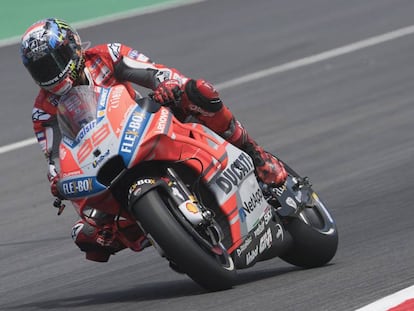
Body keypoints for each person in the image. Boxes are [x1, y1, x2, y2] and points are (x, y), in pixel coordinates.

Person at [20, 18, 287, 262]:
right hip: (102, 160)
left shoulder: (106, 56)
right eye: (42, 69)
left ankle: (254, 154)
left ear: (73, 47)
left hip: (145, 122)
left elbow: (152, 71)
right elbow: (55, 155)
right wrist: (57, 178)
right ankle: (158, 232)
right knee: (86, 235)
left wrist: (167, 83)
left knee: (197, 92)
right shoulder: (44, 110)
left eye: (55, 61)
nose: (51, 73)